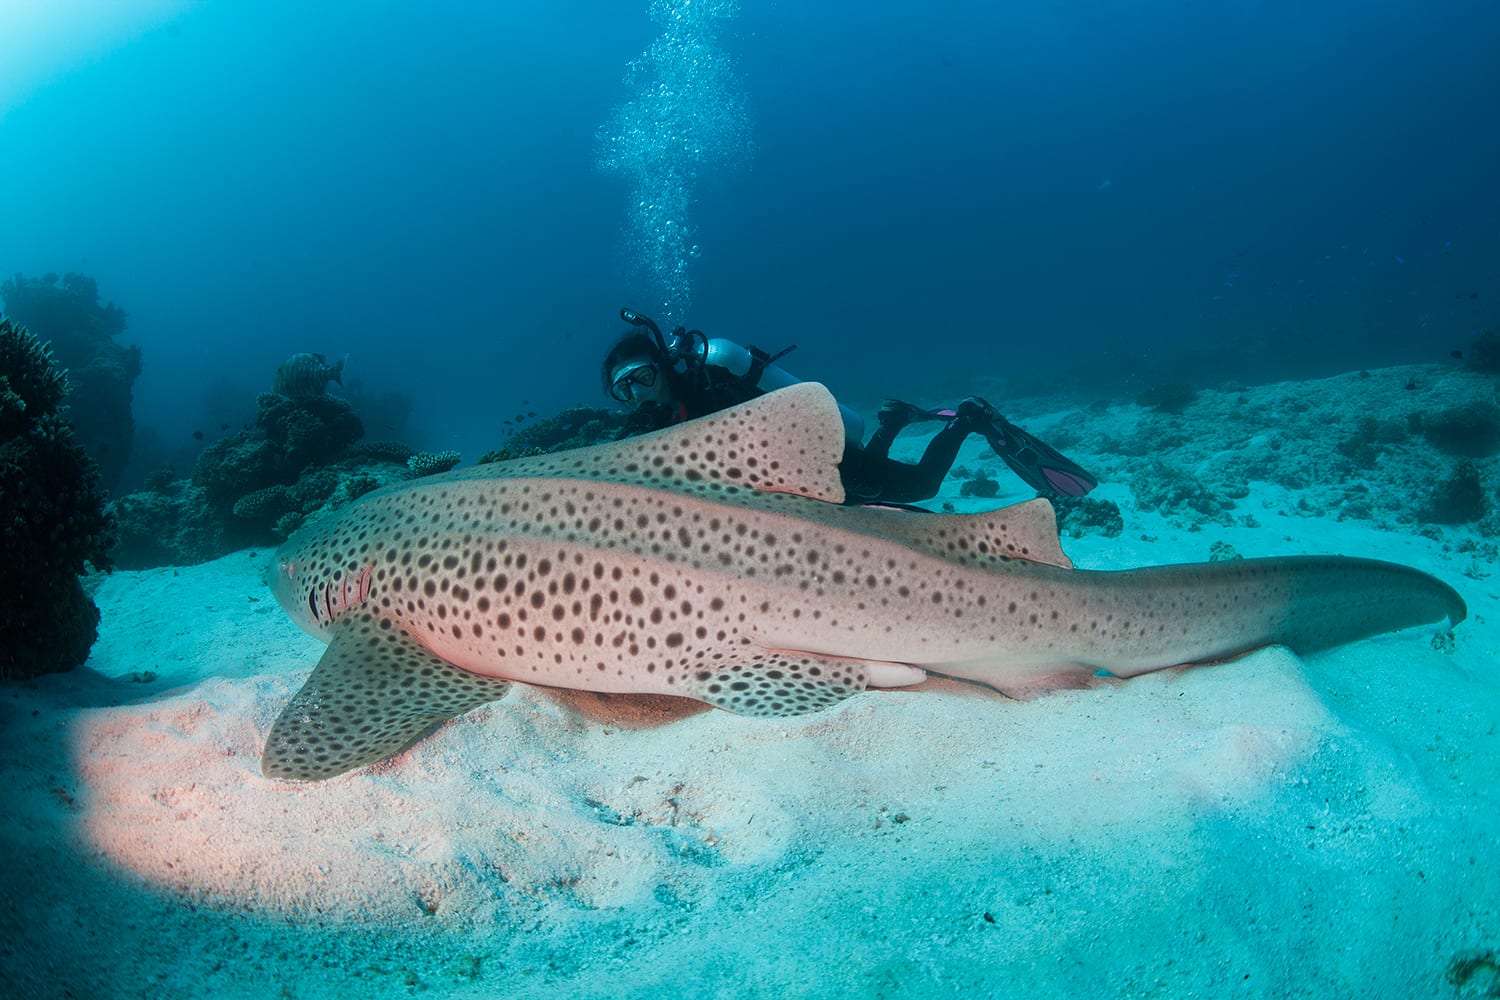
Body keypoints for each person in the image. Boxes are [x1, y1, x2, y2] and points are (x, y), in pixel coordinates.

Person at [601, 307, 1097, 506]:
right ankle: (893, 422)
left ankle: (968, 418)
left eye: (643, 377)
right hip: (783, 488)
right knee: (874, 478)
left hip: (817, 457)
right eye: (625, 389)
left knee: (921, 488)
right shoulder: (649, 428)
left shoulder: (713, 390)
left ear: (663, 368)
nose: (638, 394)